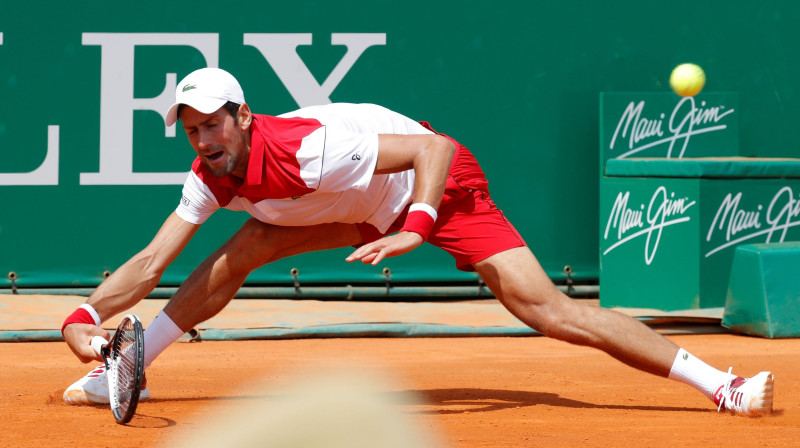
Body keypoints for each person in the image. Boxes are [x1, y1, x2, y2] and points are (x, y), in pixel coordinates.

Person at [61, 67, 774, 417]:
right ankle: (122, 367)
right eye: (191, 129)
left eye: (212, 124)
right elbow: (152, 261)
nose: (202, 139)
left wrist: (416, 228)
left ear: (242, 117)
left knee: (547, 311)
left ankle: (724, 387)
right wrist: (81, 320)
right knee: (239, 252)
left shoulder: (313, 147)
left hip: (435, 187)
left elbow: (436, 147)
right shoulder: (209, 174)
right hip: (359, 206)